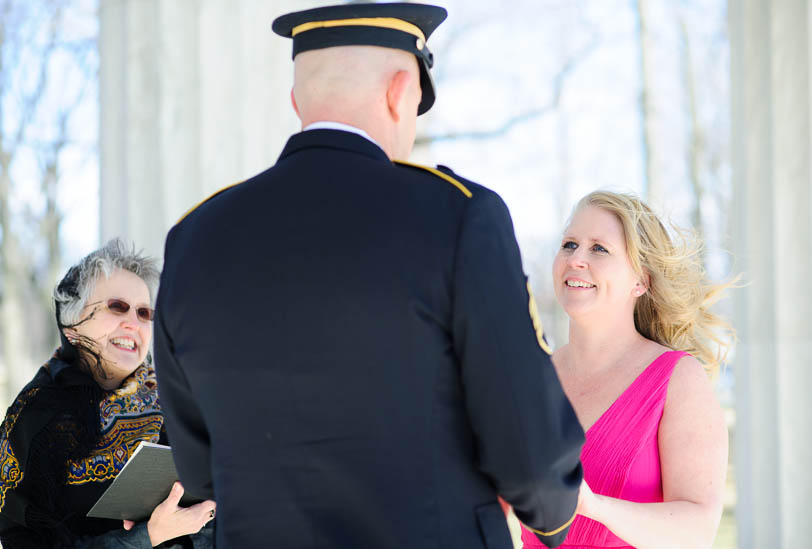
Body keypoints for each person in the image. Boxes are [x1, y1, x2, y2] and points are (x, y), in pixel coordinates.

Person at [153, 3, 584, 548]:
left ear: (296, 101)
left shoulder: (194, 238)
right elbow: (531, 453)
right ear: (400, 92)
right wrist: (553, 516)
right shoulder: (457, 216)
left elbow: (203, 470)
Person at [521, 191, 733, 548]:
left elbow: (698, 531)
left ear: (641, 281)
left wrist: (593, 507)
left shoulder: (677, 379)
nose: (576, 259)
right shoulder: (533, 377)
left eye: (599, 249)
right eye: (569, 244)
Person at [0, 239, 216, 548]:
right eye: (118, 307)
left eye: (144, 313)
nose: (133, 324)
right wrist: (149, 536)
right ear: (72, 323)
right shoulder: (34, 418)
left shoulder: (177, 401)